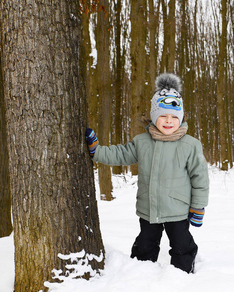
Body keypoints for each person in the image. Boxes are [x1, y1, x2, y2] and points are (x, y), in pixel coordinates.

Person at [85, 73, 209, 273]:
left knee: (181, 243)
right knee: (145, 243)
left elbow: (200, 178)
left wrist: (198, 207)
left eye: (173, 117)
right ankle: (140, 272)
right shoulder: (142, 142)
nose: (168, 121)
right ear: (153, 116)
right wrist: (97, 151)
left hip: (177, 209)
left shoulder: (190, 145)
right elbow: (121, 154)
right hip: (148, 207)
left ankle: (183, 275)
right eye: (163, 116)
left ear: (181, 117)